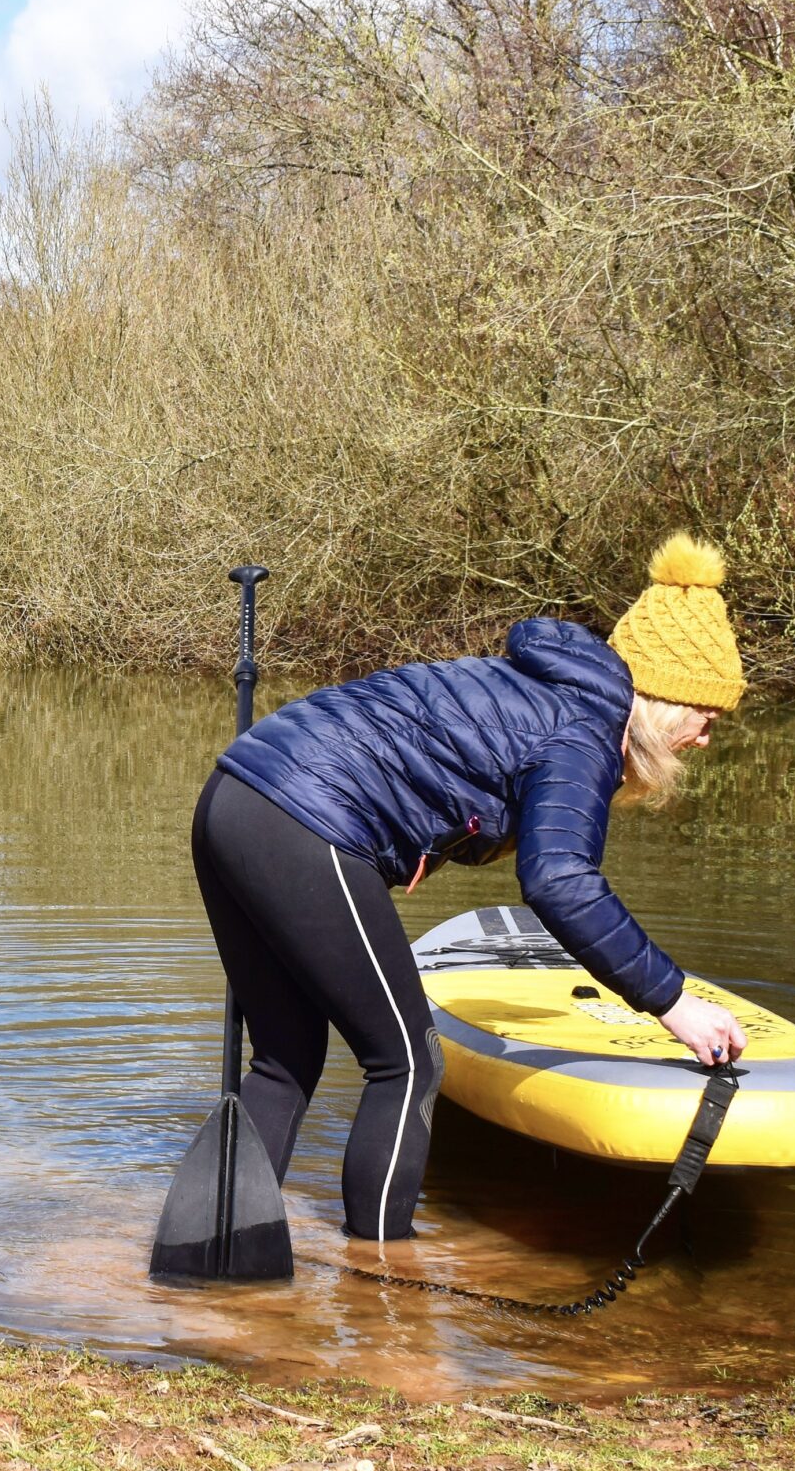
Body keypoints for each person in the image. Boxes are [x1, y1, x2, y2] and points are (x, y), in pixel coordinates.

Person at [190, 532, 749, 1247]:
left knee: (286, 1056)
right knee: (407, 1062)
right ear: (670, 699)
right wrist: (673, 1002)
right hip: (307, 821)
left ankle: (218, 1257)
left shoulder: (538, 689)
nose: (704, 739)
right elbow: (560, 880)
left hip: (232, 798)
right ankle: (382, 1279)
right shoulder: (585, 729)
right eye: (707, 717)